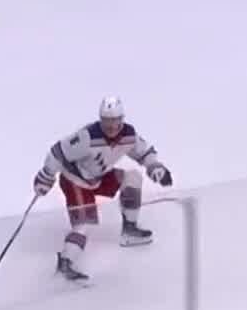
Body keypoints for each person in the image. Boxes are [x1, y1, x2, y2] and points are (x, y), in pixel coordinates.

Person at [33, 96, 172, 282]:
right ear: (101, 119)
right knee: (86, 225)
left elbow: (144, 152)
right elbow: (57, 152)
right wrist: (46, 176)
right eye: (107, 120)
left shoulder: (129, 135)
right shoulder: (87, 136)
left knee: (132, 177)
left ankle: (129, 229)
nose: (112, 125)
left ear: (122, 119)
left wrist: (155, 167)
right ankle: (66, 262)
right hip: (76, 181)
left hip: (99, 178)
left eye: (115, 120)